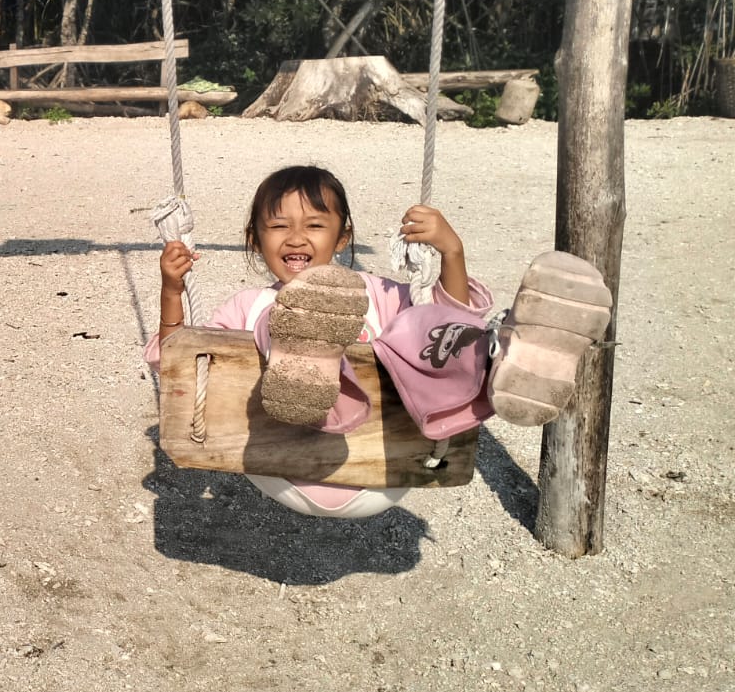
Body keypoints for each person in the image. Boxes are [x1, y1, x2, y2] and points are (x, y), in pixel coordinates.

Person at [148, 164, 611, 517]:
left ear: (343, 235)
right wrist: (173, 291)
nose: (296, 237)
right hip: (287, 469)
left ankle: (517, 356)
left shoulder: (377, 294)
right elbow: (179, 369)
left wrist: (451, 250)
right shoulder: (246, 306)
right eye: (277, 226)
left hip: (385, 468)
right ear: (255, 239)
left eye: (314, 224)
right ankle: (303, 353)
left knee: (422, 329)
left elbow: (445, 320)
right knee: (270, 325)